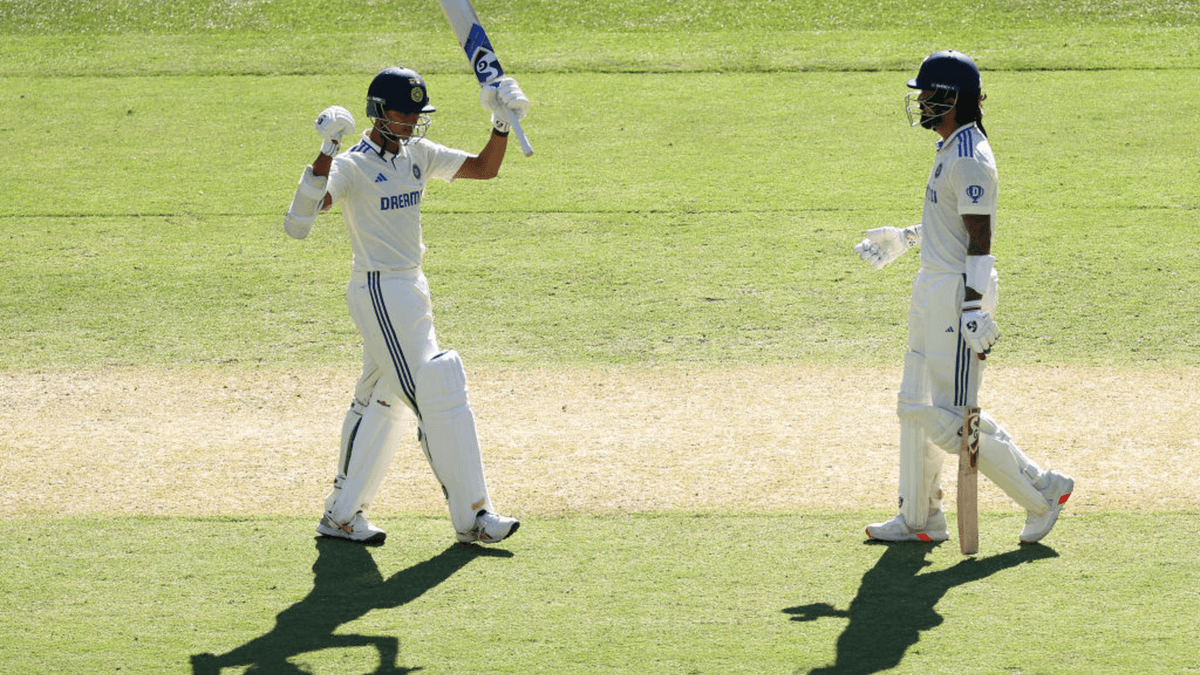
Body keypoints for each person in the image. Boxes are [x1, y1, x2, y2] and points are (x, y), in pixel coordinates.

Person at [283, 66, 530, 546]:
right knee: (438, 395)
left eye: (419, 113)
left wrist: (501, 123)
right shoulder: (352, 165)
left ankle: (341, 515)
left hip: (412, 288)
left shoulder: (417, 153)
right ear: (378, 113)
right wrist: (326, 150)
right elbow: (302, 218)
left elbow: (485, 167)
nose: (413, 121)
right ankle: (475, 515)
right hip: (378, 290)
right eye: (404, 112)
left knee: (380, 400)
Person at [853, 50, 1073, 545]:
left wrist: (973, 306)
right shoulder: (951, 146)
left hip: (957, 292)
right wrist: (909, 238)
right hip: (934, 283)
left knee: (950, 418)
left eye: (928, 94)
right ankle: (919, 520)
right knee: (914, 404)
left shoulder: (971, 157)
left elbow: (980, 239)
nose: (922, 102)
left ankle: (1040, 496)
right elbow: (952, 223)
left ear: (951, 98)